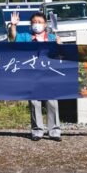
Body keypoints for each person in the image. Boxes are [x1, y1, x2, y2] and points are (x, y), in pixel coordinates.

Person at [9, 11, 61, 142]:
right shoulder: (26, 37)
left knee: (52, 102)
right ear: (30, 25)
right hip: (32, 75)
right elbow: (13, 38)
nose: (37, 24)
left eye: (40, 22)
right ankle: (37, 131)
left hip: (49, 74)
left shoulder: (52, 38)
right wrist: (13, 25)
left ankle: (54, 131)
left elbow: (60, 54)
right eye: (34, 22)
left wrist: (59, 45)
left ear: (45, 25)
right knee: (35, 102)